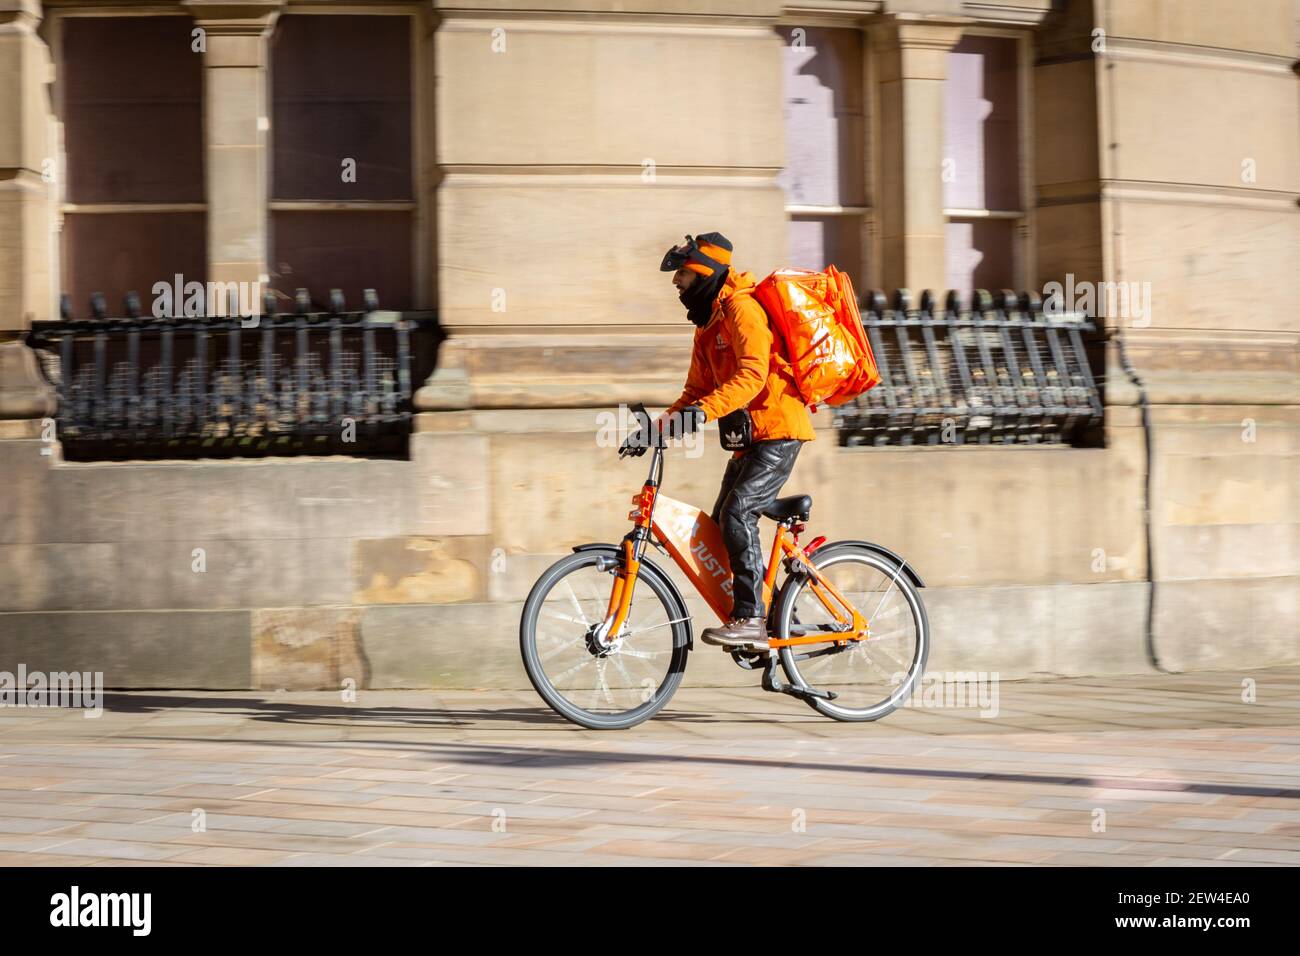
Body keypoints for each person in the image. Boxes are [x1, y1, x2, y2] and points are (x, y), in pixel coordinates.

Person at [621, 232, 815, 650]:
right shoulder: (708, 325)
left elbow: (752, 375)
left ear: (705, 273)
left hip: (778, 428)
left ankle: (751, 619)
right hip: (750, 437)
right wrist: (655, 430)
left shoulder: (742, 310)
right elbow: (693, 392)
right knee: (721, 528)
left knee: (738, 514)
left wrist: (701, 414)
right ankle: (783, 614)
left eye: (683, 275)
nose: (677, 284)